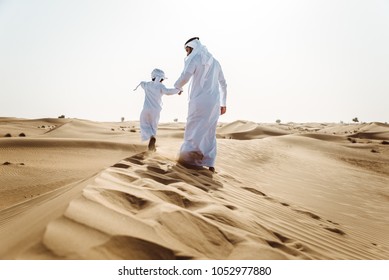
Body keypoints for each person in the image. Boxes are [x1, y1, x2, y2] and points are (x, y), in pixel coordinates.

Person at [174, 37, 227, 172]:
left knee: (193, 127)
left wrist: (178, 86)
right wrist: (223, 103)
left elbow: (185, 75)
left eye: (187, 50)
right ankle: (209, 161)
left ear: (193, 47)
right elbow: (223, 84)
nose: (187, 54)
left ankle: (187, 159)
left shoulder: (195, 58)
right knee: (210, 131)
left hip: (199, 101)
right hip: (214, 103)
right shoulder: (215, 62)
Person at [134, 68, 182, 151]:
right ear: (161, 78)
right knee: (153, 126)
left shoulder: (147, 85)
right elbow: (168, 92)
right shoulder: (161, 86)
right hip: (156, 110)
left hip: (146, 109)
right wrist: (178, 90)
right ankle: (153, 139)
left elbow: (142, 83)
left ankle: (151, 138)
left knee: (144, 124)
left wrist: (141, 83)